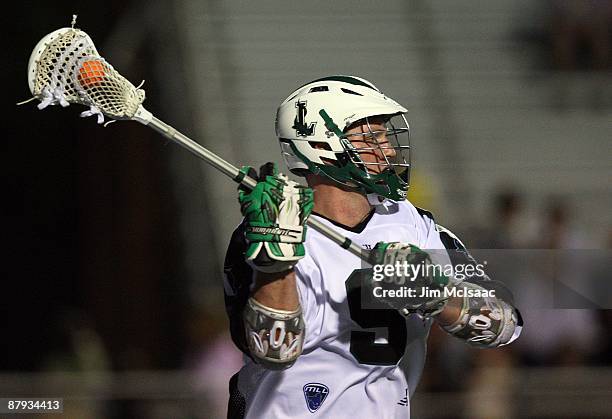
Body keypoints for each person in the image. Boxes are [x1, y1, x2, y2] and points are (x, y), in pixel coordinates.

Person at [223, 76, 523, 418]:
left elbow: (506, 323)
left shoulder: (412, 224)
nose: (390, 150)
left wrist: (436, 295)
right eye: (372, 138)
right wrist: (275, 261)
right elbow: (274, 350)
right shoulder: (266, 230)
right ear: (322, 146)